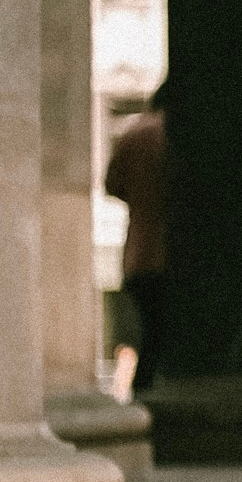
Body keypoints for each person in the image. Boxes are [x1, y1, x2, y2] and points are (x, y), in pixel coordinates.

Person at [103, 78, 170, 393]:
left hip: (138, 255)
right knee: (162, 338)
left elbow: (112, 185)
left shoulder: (134, 134)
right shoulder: (173, 134)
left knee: (151, 335)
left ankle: (142, 397)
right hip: (167, 254)